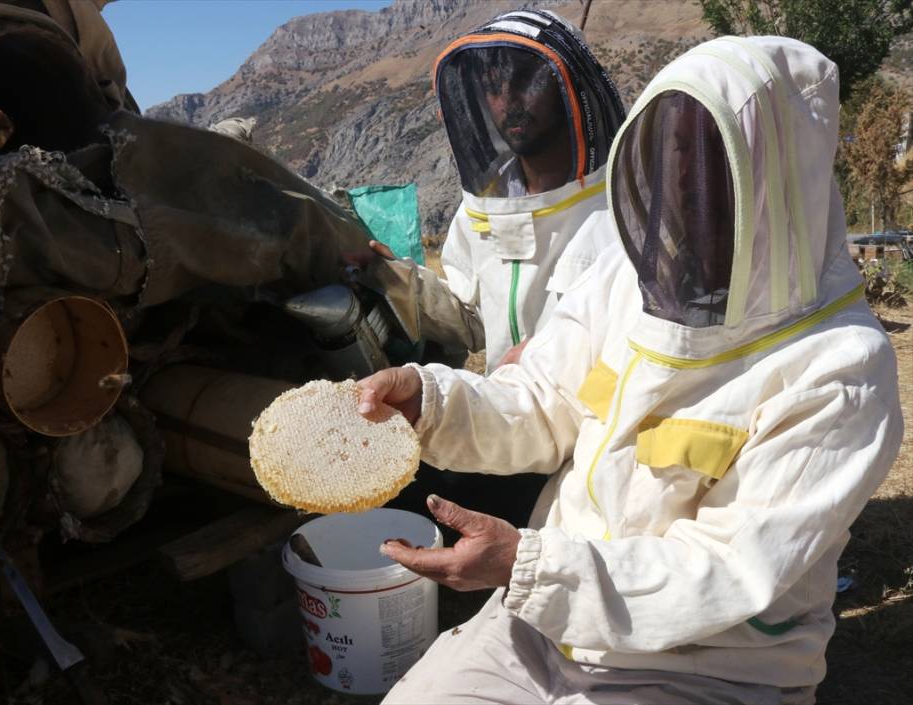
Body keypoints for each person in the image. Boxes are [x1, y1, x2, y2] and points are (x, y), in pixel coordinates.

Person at [358, 35, 903, 704]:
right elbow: (539, 398)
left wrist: (525, 562)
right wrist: (431, 400)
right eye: (669, 158)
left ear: (778, 178)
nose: (681, 185)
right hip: (538, 625)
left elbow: (725, 569)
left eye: (706, 165)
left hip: (711, 667)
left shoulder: (839, 367)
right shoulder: (624, 276)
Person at [362, 8, 626, 372]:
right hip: (502, 418)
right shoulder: (483, 208)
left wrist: (553, 353)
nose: (507, 101)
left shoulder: (625, 209)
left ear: (568, 86)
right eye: (492, 86)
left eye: (525, 81)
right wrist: (396, 278)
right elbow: (472, 321)